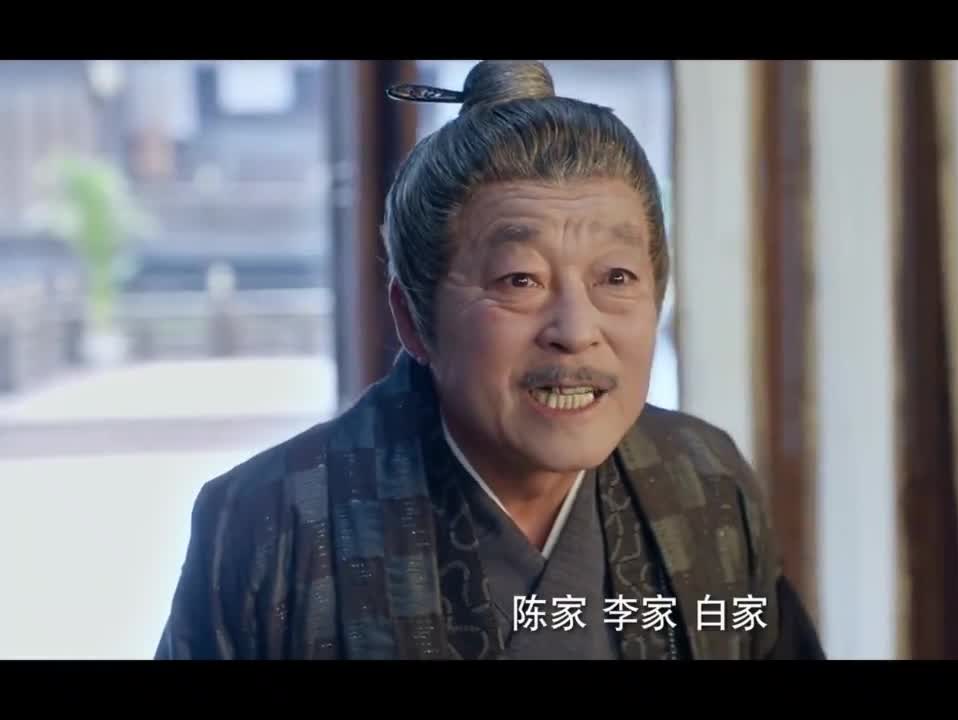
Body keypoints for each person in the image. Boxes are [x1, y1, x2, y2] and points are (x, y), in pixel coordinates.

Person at [154, 60, 825, 660]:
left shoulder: (703, 480)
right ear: (413, 318)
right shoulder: (273, 523)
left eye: (616, 277)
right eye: (519, 280)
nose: (575, 331)